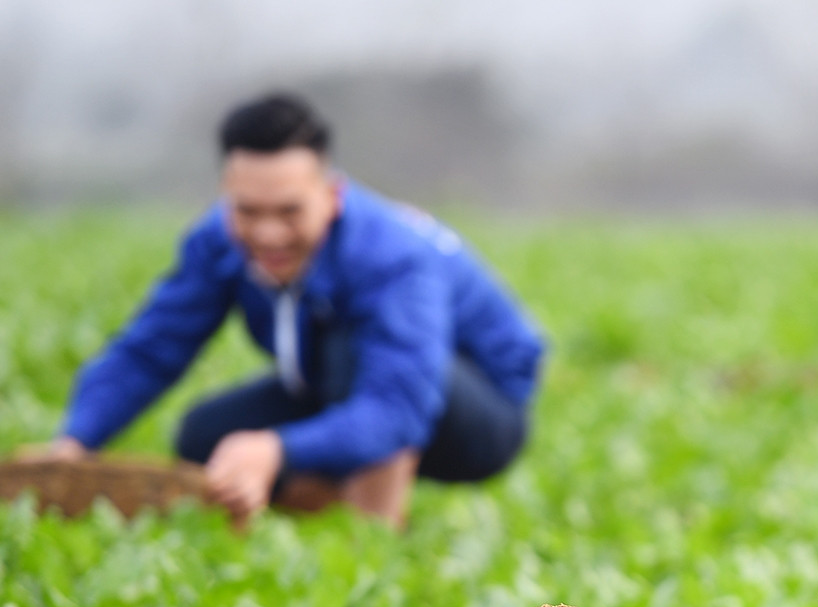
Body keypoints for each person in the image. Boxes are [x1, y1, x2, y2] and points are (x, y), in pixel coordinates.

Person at [45, 92, 545, 528]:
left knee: (351, 347)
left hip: (480, 413)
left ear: (330, 194)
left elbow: (397, 408)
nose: (267, 233)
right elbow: (152, 348)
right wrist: (73, 441)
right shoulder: (219, 241)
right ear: (226, 198)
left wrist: (278, 449)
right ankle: (327, 505)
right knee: (204, 439)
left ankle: (375, 534)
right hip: (334, 382)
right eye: (248, 211)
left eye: (288, 211)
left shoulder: (391, 255)